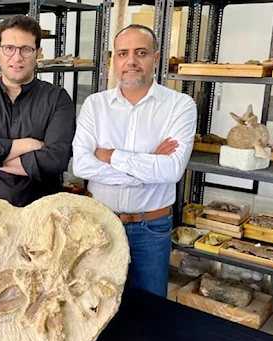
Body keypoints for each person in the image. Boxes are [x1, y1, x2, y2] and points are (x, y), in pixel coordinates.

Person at [71, 24, 197, 298]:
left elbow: (172, 169)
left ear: (156, 58)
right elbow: (81, 165)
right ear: (113, 60)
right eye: (123, 53)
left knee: (149, 311)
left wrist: (111, 156)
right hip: (100, 222)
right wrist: (149, 164)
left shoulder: (180, 106)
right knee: (96, 305)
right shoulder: (95, 105)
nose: (131, 61)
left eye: (141, 53)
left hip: (150, 228)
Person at [0, 15, 76, 207]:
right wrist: (28, 144)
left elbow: (56, 160)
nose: (17, 58)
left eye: (26, 49)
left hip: (40, 217)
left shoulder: (57, 98)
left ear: (38, 53)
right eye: (9, 48)